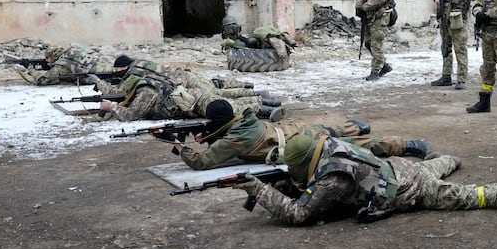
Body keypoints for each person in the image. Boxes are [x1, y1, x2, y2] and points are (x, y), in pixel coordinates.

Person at [230, 133, 497, 226]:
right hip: (400, 167)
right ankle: (450, 158)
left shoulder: (332, 179)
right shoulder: (328, 145)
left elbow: (299, 213)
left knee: (470, 197)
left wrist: (259, 190)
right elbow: (304, 185)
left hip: (412, 189)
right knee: (435, 165)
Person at [173, 99, 433, 170]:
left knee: (353, 149)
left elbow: (202, 162)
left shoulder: (232, 141)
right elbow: (223, 132)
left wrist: (178, 146)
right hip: (294, 131)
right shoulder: (245, 121)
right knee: (336, 132)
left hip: (298, 148)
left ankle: (407, 145)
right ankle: (361, 127)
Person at [94, 55, 284, 122]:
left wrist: (112, 108)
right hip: (190, 96)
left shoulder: (145, 90)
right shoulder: (143, 80)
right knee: (223, 97)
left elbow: (133, 115)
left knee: (225, 106)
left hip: (191, 102)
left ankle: (264, 107)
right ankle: (264, 101)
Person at [430, 0, 478, 90]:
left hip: (457, 18)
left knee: (460, 49)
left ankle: (462, 79)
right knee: (445, 47)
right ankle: (446, 76)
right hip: (444, 17)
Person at [355, 0, 395, 81]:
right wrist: (358, 6)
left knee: (376, 44)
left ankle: (375, 71)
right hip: (369, 17)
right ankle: (384, 65)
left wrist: (365, 7)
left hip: (380, 17)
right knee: (368, 42)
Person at [18, 46, 103, 86]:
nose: (46, 60)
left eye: (48, 58)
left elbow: (42, 81)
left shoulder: (60, 65)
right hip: (101, 66)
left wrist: (30, 68)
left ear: (54, 55)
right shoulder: (70, 51)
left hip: (99, 76)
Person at [221, 15, 297, 59]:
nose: (231, 30)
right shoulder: (240, 39)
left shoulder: (239, 41)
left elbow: (248, 44)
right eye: (229, 28)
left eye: (233, 28)